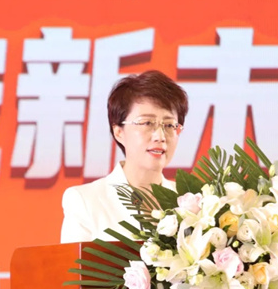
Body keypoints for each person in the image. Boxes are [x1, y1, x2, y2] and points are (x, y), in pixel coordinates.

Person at [60, 70, 189, 243]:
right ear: (119, 132)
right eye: (147, 123)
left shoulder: (193, 203)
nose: (160, 136)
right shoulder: (86, 201)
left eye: (169, 125)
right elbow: (75, 261)